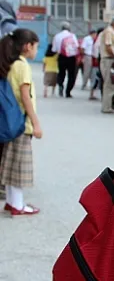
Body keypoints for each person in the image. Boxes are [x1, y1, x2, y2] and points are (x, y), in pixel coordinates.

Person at [0, 28, 43, 215]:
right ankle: (18, 205)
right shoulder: (23, 66)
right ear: (27, 46)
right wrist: (36, 123)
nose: (36, 51)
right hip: (22, 123)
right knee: (20, 166)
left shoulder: (12, 64)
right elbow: (26, 96)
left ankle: (11, 201)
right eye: (35, 47)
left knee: (10, 164)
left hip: (11, 122)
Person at [99, 18, 114, 113]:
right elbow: (108, 46)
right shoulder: (109, 32)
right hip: (108, 59)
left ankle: (109, 104)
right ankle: (106, 107)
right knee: (108, 84)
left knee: (110, 84)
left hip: (109, 59)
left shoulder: (112, 32)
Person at [51, 22, 79, 98]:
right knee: (71, 75)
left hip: (61, 57)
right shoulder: (72, 36)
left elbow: (54, 49)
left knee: (61, 73)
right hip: (71, 57)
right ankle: (68, 92)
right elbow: (76, 46)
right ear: (69, 28)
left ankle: (60, 85)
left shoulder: (57, 36)